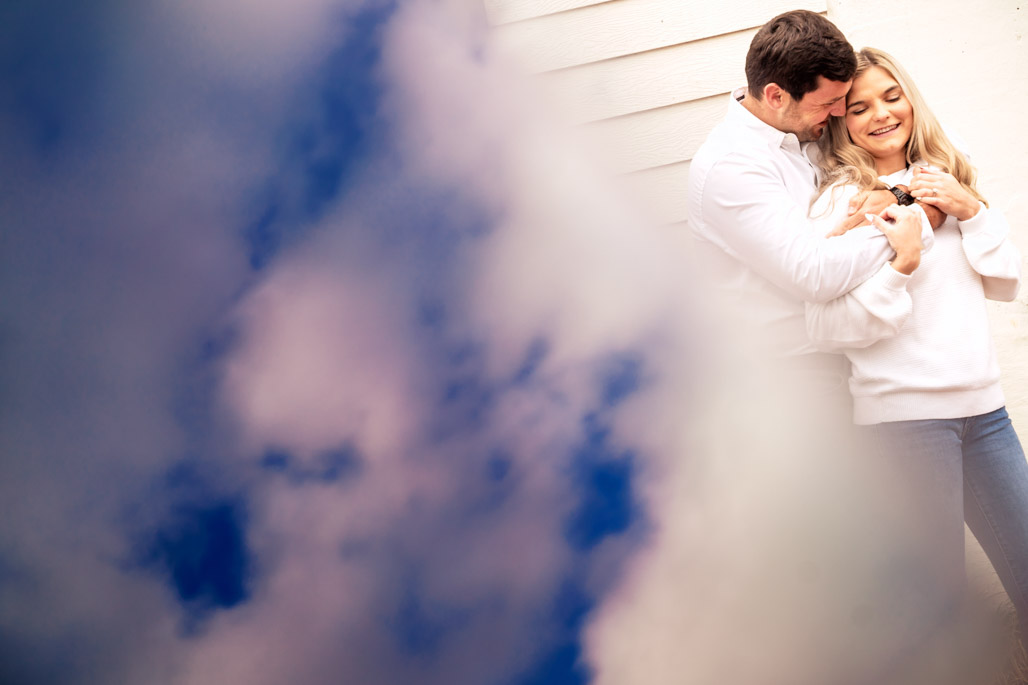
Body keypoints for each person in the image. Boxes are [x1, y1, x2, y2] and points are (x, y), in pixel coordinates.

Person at [805, 47, 1028, 651]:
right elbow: (827, 328)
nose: (881, 114)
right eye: (859, 106)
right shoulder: (843, 202)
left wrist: (971, 210)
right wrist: (903, 262)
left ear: (911, 98)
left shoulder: (946, 177)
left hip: (985, 415)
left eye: (891, 95)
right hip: (904, 424)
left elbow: (1008, 283)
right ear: (839, 121)